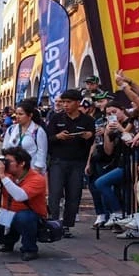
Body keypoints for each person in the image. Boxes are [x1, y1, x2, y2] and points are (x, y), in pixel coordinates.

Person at [0, 146, 49, 261]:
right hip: (7, 213)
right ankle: (9, 240)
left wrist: (3, 176)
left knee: (23, 218)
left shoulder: (37, 179)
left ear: (21, 163)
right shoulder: (8, 175)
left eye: (8, 161)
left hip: (30, 217)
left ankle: (30, 249)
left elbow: (20, 196)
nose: (5, 164)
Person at [45, 88, 95, 237]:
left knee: (74, 195)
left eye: (68, 102)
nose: (65, 105)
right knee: (55, 193)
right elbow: (47, 138)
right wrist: (58, 137)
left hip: (77, 162)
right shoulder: (56, 118)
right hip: (58, 161)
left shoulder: (88, 120)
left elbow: (92, 140)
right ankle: (54, 222)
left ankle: (67, 225)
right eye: (63, 102)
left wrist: (88, 136)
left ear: (77, 103)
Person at [1, 98, 48, 174]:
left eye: (21, 114)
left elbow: (42, 153)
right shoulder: (11, 129)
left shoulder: (38, 131)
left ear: (30, 115)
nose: (17, 116)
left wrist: (37, 169)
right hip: (12, 170)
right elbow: (5, 147)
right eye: (16, 114)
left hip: (31, 171)